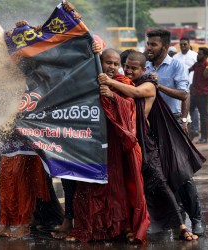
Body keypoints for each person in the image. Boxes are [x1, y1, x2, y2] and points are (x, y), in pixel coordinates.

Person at [100, 50, 201, 241]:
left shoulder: (148, 85)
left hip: (144, 144)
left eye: (134, 68)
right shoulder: (125, 82)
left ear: (143, 69)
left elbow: (134, 97)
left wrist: (110, 87)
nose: (128, 71)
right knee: (132, 186)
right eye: (127, 66)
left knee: (160, 183)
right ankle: (132, 226)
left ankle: (182, 225)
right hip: (123, 142)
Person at [68, 49, 150, 243]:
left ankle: (119, 227)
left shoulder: (123, 82)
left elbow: (131, 108)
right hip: (92, 142)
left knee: (116, 187)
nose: (112, 67)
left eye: (115, 64)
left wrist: (113, 97)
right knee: (90, 186)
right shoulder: (89, 79)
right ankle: (91, 228)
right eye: (108, 63)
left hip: (115, 143)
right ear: (99, 62)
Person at [145, 29, 205, 236]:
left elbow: (183, 94)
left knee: (182, 174)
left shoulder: (176, 65)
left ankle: (197, 219)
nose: (148, 48)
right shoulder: (144, 65)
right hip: (150, 125)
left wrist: (157, 85)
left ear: (164, 46)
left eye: (153, 44)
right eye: (148, 44)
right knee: (157, 176)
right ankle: (170, 221)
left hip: (171, 123)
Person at [173, 37, 199, 139]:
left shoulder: (195, 56)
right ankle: (184, 129)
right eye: (181, 44)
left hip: (192, 86)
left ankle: (195, 129)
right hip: (179, 88)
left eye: (185, 44)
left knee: (193, 109)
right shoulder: (175, 57)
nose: (183, 46)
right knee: (181, 109)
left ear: (189, 44)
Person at [188, 47, 208, 143]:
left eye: (200, 54)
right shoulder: (197, 64)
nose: (198, 55)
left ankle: (204, 137)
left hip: (202, 94)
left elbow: (207, 76)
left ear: (206, 56)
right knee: (188, 113)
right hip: (194, 93)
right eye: (198, 53)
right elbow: (189, 70)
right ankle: (193, 132)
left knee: (204, 116)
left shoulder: (207, 66)